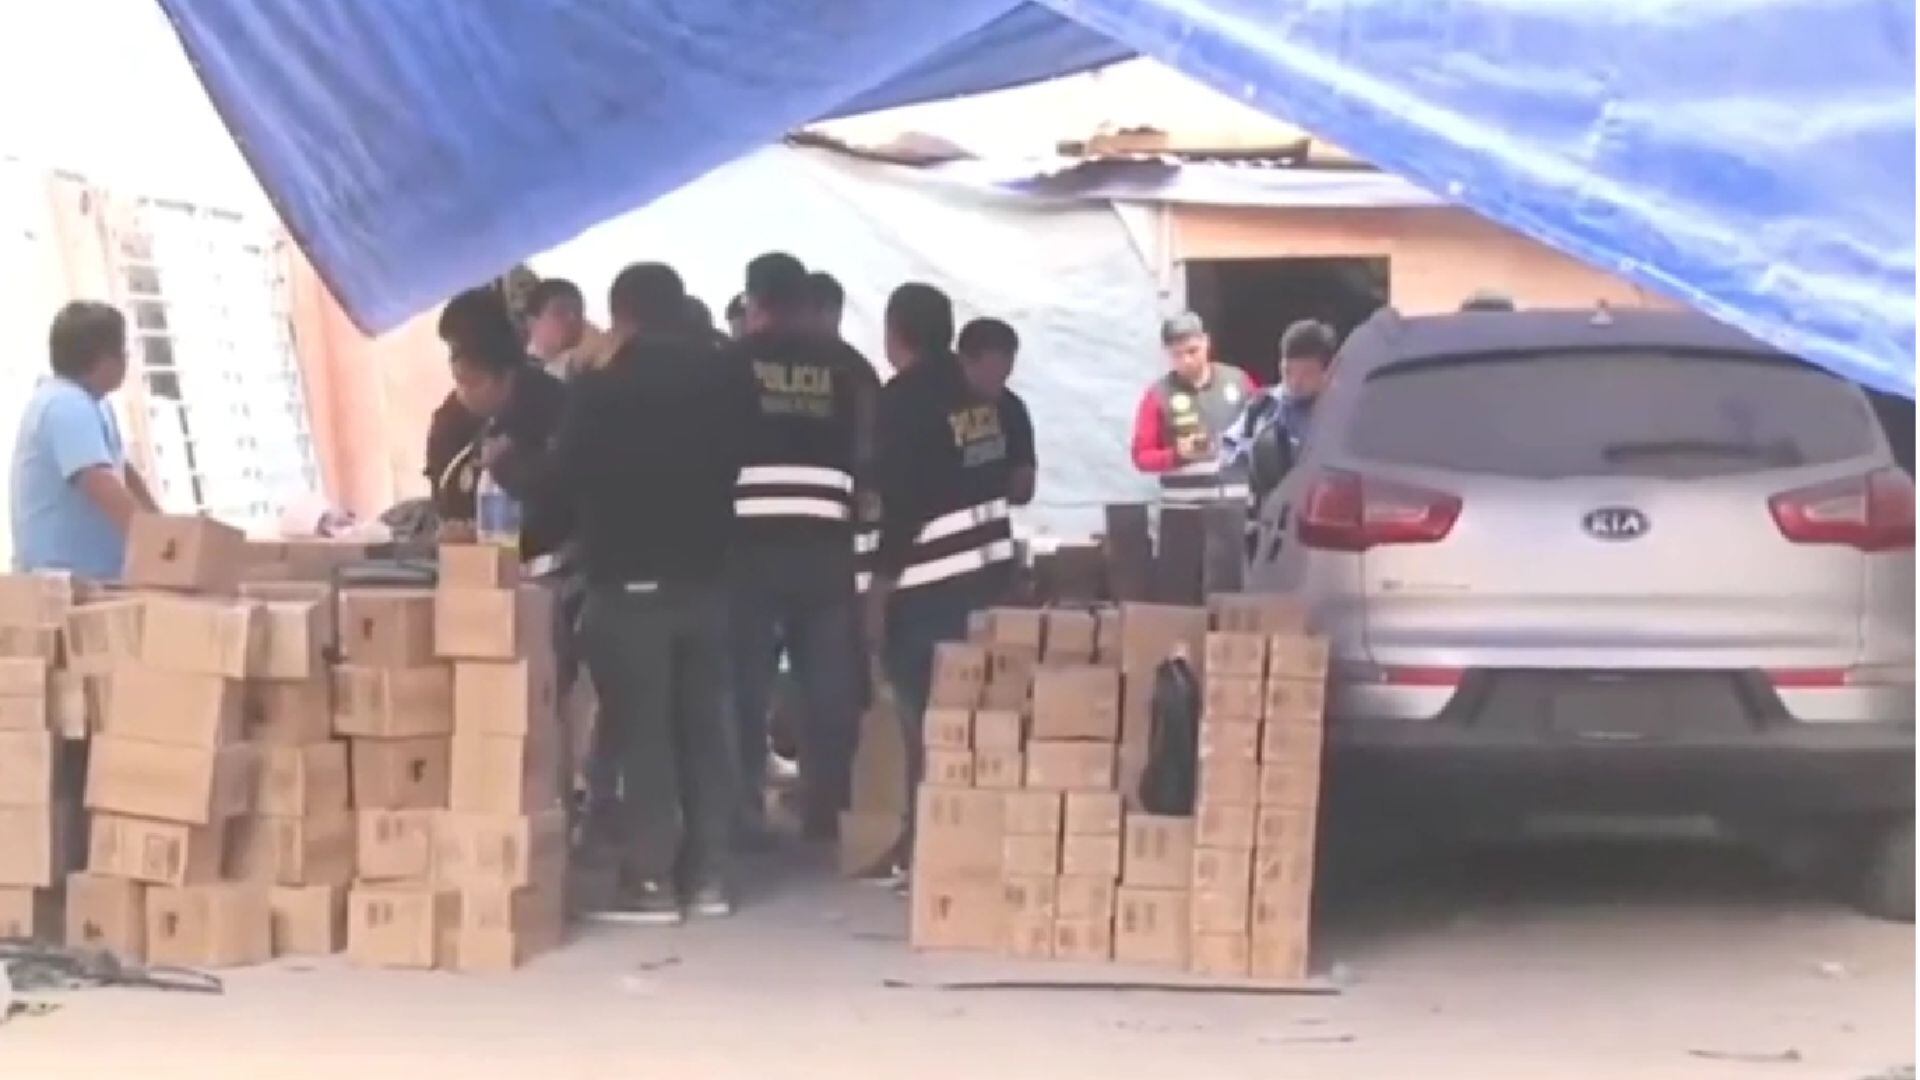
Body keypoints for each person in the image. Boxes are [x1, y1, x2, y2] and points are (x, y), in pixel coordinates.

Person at [553, 262, 755, 923]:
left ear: (622, 315)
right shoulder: (728, 380)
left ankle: (650, 880)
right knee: (704, 728)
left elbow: (564, 477)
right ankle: (709, 876)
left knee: (643, 731)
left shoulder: (600, 388)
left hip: (629, 579)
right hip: (710, 577)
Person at [723, 252, 873, 844]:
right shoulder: (847, 367)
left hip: (747, 551)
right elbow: (870, 457)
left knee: (744, 686)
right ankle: (827, 813)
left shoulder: (731, 364)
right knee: (829, 687)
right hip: (825, 549)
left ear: (755, 302)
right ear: (806, 302)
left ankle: (742, 814)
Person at [868, 284, 1018, 859]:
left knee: (926, 720)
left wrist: (880, 590)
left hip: (929, 585)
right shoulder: (981, 396)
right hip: (988, 574)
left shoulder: (904, 400)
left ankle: (925, 842)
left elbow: (904, 503)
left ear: (896, 332)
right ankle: (967, 838)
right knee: (974, 713)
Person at [9, 302, 157, 579]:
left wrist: (167, 527)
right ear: (105, 358)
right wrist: (161, 549)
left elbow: (122, 471)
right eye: (122, 350)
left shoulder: (94, 402)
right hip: (65, 584)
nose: (126, 359)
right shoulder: (65, 404)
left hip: (98, 577)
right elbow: (101, 483)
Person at [424, 287, 569, 560]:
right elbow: (443, 493)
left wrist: (507, 468)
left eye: (473, 381)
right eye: (458, 380)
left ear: (506, 374)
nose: (463, 393)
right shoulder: (452, 419)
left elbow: (558, 509)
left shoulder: (552, 409)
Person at [1129, 312, 1256, 502]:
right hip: (1184, 508)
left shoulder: (1239, 381)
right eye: (1177, 355)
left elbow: (1263, 434)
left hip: (1238, 504)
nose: (1186, 361)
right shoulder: (1157, 395)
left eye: (1192, 351)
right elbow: (1141, 457)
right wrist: (1177, 455)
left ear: (1206, 342)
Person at [1219, 318, 1337, 468]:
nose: (1295, 382)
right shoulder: (1261, 406)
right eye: (1288, 371)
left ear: (1329, 372)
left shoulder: (1344, 414)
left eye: (1307, 374)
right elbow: (1228, 449)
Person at [955, 317, 1037, 508]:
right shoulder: (934, 408)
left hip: (992, 518)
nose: (998, 384)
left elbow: (1024, 490)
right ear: (965, 361)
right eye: (991, 374)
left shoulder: (1012, 408)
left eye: (1004, 375)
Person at [524, 278, 588, 380]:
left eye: (578, 312)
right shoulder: (514, 373)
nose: (572, 318)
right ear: (532, 322)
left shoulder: (588, 373)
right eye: (560, 312)